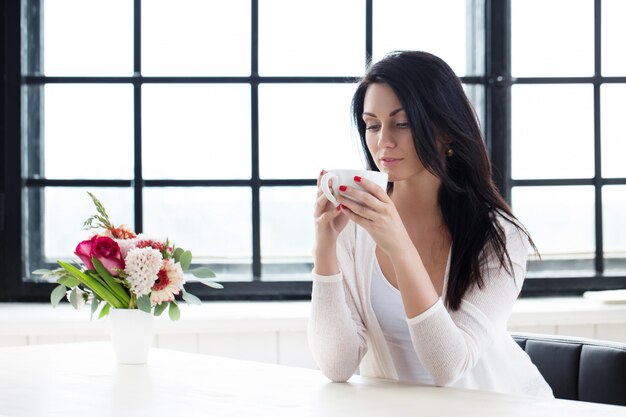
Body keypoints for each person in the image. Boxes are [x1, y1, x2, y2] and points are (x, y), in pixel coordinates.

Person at [308, 50, 553, 398]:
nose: (383, 141)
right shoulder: (353, 227)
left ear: (446, 131)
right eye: (372, 125)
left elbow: (448, 367)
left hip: (502, 405)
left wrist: (398, 245)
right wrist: (324, 249)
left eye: (402, 123)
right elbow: (336, 366)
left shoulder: (499, 236)